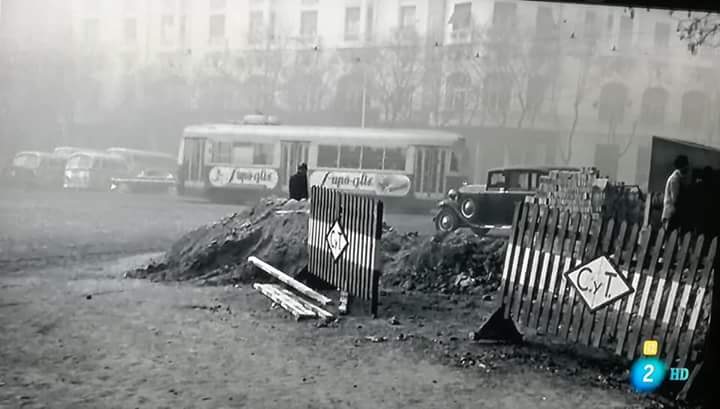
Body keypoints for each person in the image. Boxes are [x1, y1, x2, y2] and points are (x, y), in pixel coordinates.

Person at [662, 155, 689, 232]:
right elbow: (675, 199)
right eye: (687, 165)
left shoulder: (678, 178)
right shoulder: (675, 180)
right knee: (670, 239)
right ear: (683, 166)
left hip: (671, 214)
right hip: (671, 215)